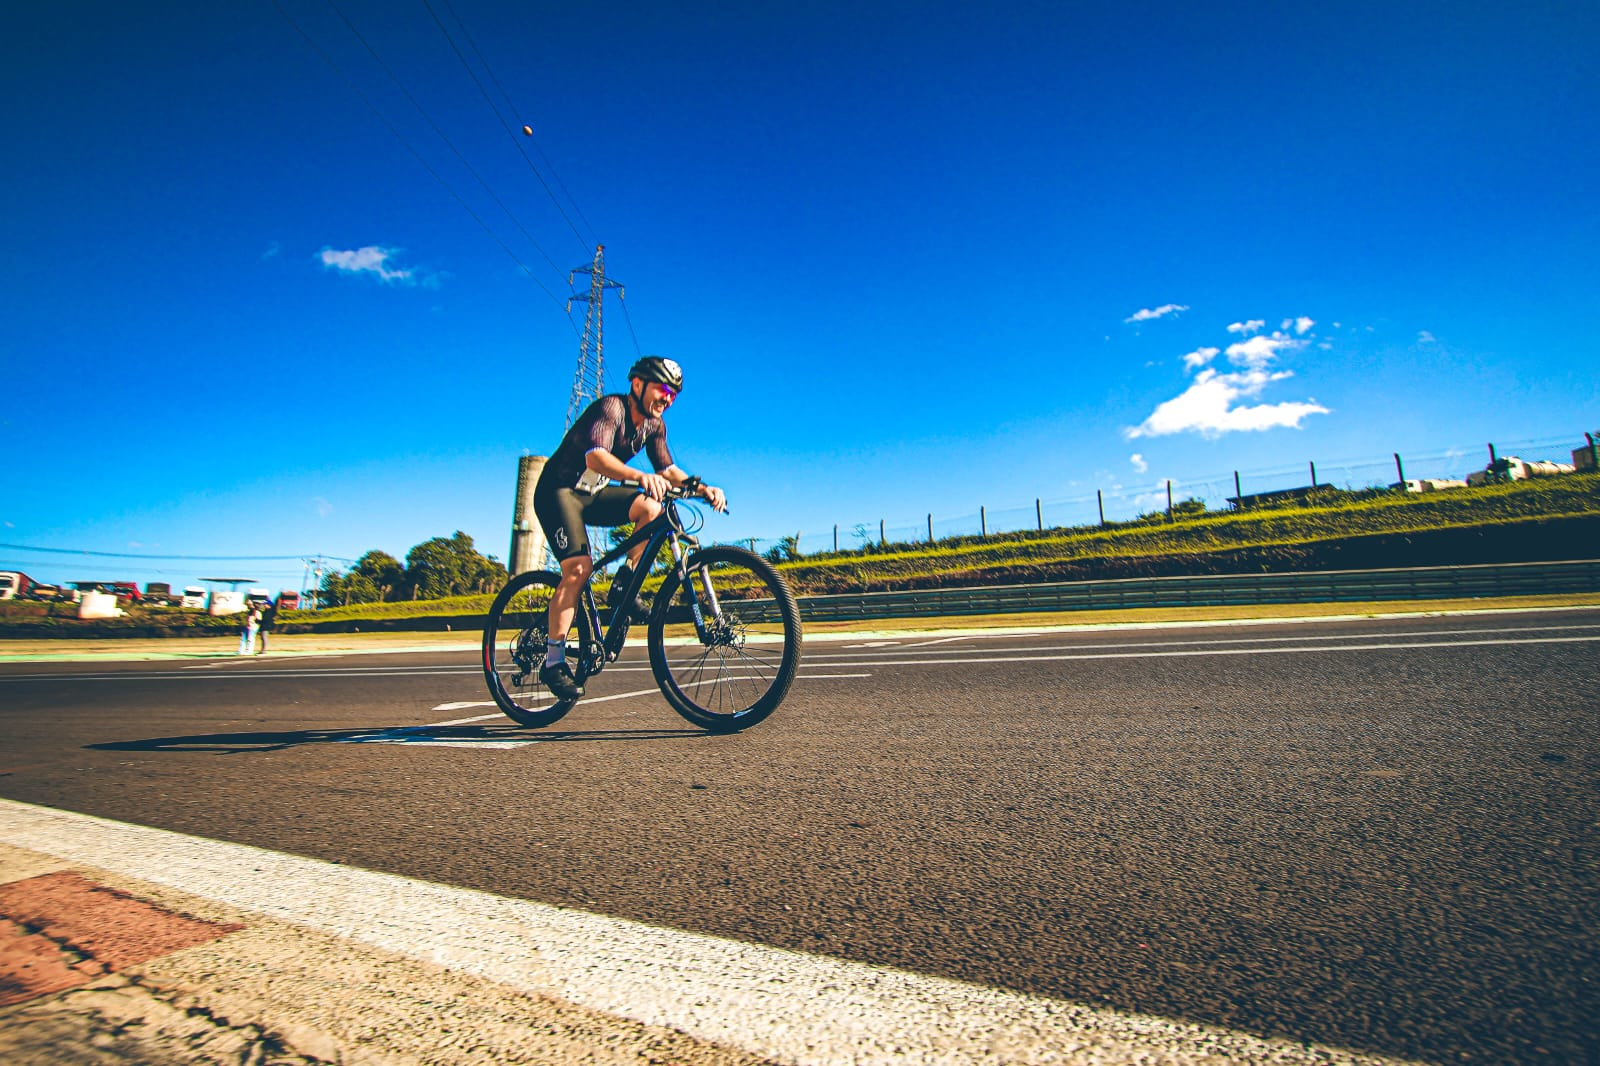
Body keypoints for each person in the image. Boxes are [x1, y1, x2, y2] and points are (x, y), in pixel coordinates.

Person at [532, 356, 726, 699]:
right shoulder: (611, 409)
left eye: (673, 395)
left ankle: (625, 584)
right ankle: (553, 660)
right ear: (638, 384)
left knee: (651, 508)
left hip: (593, 494)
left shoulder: (654, 426)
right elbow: (595, 457)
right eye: (663, 389)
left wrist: (703, 488)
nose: (667, 399)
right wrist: (639, 476)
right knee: (578, 569)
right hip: (558, 492)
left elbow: (668, 470)